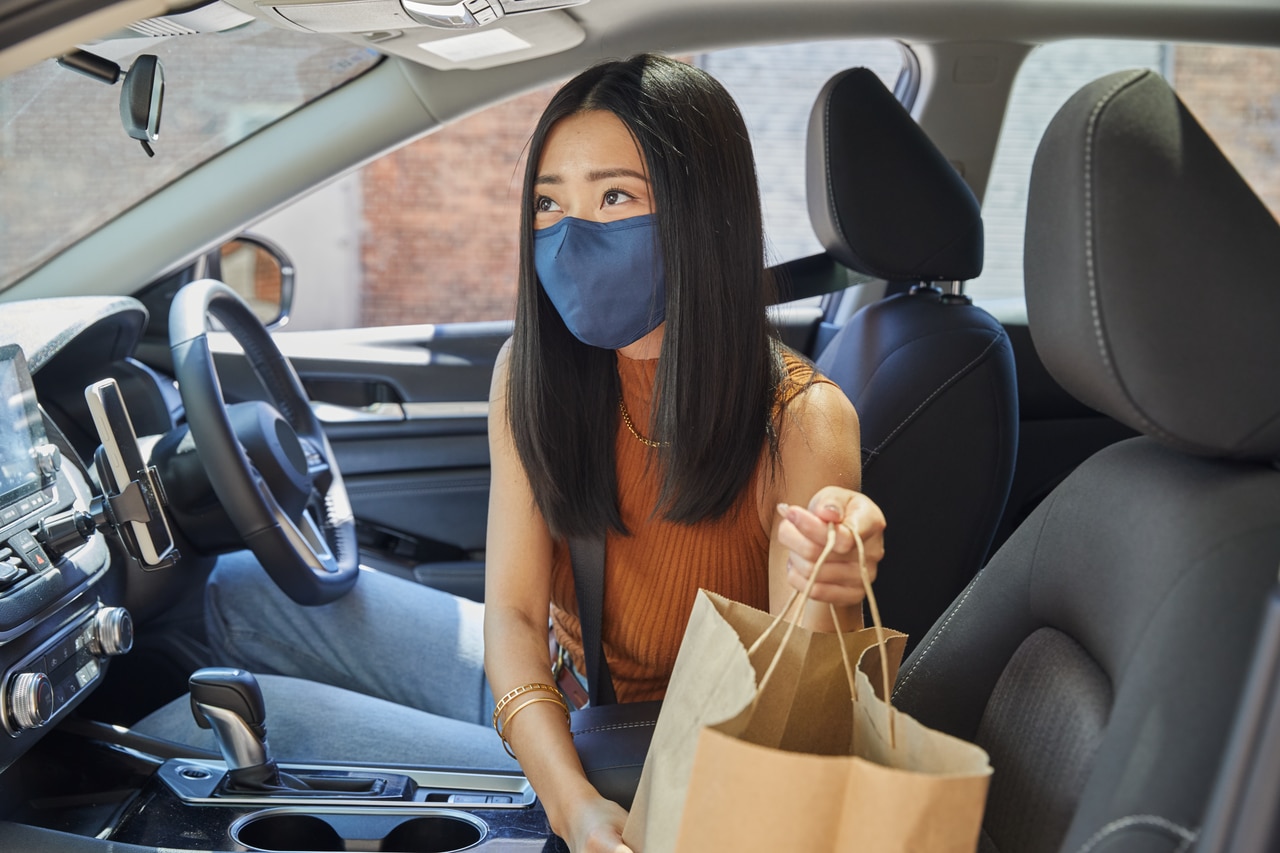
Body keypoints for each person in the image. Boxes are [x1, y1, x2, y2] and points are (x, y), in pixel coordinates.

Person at [134, 52, 885, 853]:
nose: (569, 236)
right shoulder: (529, 374)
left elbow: (802, 715)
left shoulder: (803, 421)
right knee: (240, 587)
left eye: (616, 197)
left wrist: (829, 582)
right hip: (549, 697)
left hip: (645, 756)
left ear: (702, 213)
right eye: (547, 204)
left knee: (183, 724)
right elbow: (518, 618)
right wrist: (566, 792)